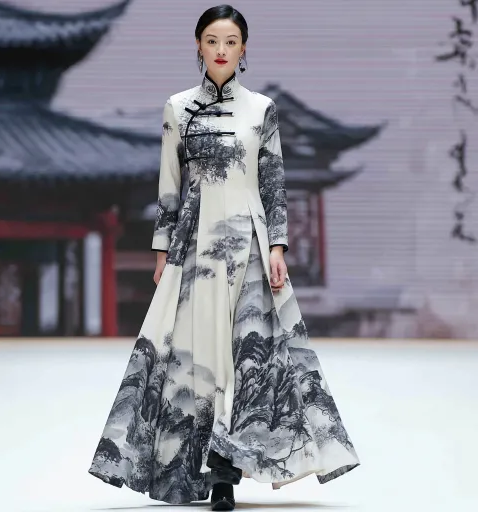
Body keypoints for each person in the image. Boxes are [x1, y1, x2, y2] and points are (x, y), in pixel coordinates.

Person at [88, 5, 359, 511]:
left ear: (243, 49)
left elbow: (274, 184)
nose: (220, 50)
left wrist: (277, 246)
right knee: (194, 358)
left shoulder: (262, 109)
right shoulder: (177, 108)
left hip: (250, 244)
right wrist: (162, 251)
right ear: (198, 45)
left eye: (230, 41)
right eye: (212, 40)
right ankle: (194, 468)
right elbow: (169, 188)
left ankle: (226, 472)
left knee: (249, 355)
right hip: (195, 247)